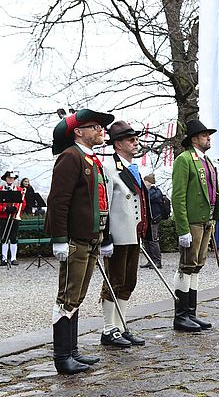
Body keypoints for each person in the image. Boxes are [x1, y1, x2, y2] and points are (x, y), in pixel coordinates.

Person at [46, 108, 114, 374]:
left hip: (91, 238)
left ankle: (72, 351)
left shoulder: (90, 158)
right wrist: (60, 239)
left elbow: (100, 202)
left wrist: (104, 236)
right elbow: (58, 201)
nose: (101, 130)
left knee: (77, 297)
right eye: (95, 126)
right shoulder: (70, 157)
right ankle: (62, 357)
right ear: (79, 131)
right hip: (75, 238)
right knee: (67, 297)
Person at [99, 120, 152, 348]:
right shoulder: (109, 167)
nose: (135, 142)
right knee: (114, 281)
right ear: (118, 144)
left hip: (133, 232)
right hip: (118, 233)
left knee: (129, 281)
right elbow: (105, 202)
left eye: (135, 138)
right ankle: (108, 329)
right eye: (130, 139)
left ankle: (121, 326)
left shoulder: (132, 168)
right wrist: (105, 236)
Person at [171, 119, 219, 332]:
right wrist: (182, 229)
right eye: (204, 135)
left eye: (208, 135)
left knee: (197, 266)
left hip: (206, 220)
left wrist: (215, 216)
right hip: (192, 222)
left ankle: (191, 312)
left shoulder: (207, 160)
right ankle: (181, 315)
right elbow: (178, 196)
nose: (208, 138)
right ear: (194, 139)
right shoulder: (184, 159)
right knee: (186, 265)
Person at [0, 171, 25, 266]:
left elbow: (23, 203)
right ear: (5, 178)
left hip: (14, 217)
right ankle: (4, 258)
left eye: (12, 178)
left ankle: (14, 258)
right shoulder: (1, 189)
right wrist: (5, 209)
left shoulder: (19, 190)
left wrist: (16, 208)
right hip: (3, 217)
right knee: (4, 238)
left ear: (14, 179)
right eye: (8, 178)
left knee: (13, 237)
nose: (10, 179)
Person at [141, 174, 163, 269]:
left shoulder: (155, 192)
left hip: (154, 219)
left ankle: (157, 261)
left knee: (153, 240)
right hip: (147, 219)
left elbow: (151, 198)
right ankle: (150, 261)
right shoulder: (148, 191)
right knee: (146, 240)